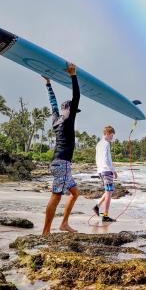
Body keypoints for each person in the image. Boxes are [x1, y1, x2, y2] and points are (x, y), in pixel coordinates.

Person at [42, 63, 81, 235]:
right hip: (62, 164)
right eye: (74, 109)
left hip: (60, 163)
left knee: (75, 193)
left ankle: (64, 224)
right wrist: (73, 75)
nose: (75, 112)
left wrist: (48, 84)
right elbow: (77, 95)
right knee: (56, 196)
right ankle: (45, 232)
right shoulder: (67, 118)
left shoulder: (56, 119)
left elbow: (53, 104)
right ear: (70, 109)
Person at [93, 125, 118, 222]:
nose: (112, 138)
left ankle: (97, 207)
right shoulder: (106, 143)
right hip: (107, 170)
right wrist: (113, 170)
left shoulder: (99, 144)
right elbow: (106, 159)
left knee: (109, 191)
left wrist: (99, 170)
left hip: (101, 170)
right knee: (109, 193)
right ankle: (105, 216)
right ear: (106, 134)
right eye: (111, 135)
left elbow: (97, 158)